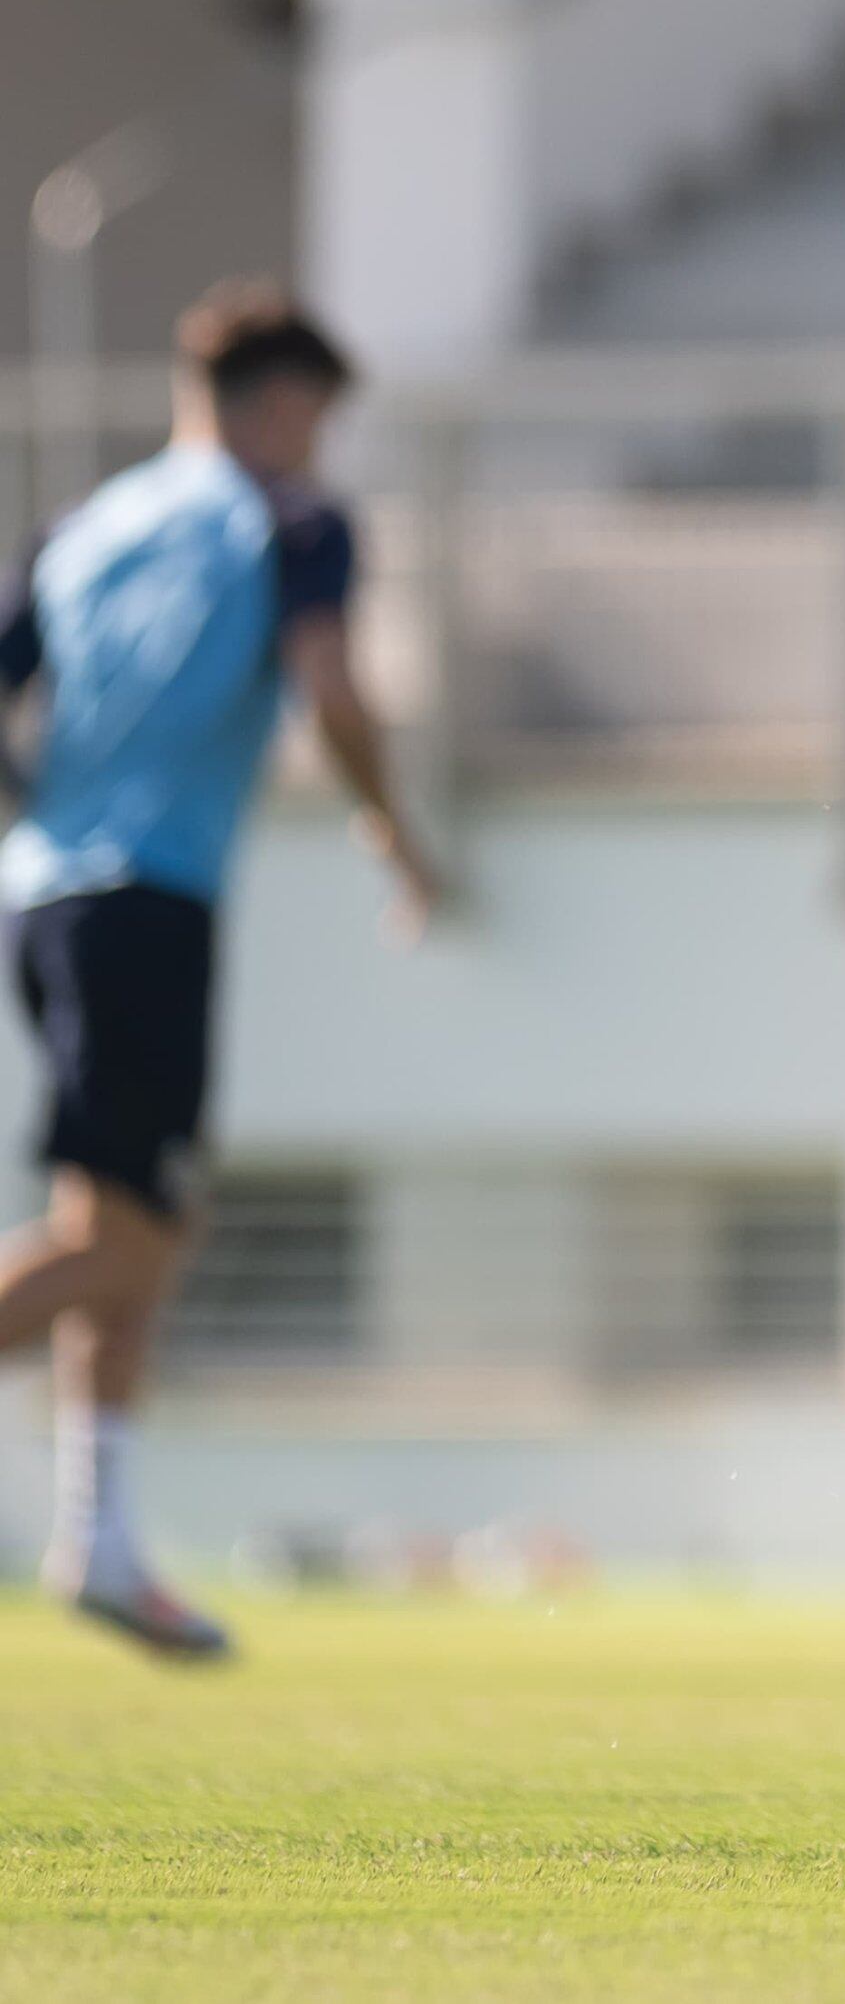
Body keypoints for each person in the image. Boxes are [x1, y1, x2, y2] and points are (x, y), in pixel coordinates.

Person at [0, 283, 444, 1659]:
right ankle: (103, 1541)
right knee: (123, 1237)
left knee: (133, 1223)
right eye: (314, 418)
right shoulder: (290, 519)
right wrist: (394, 831)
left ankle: (103, 1543)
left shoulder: (86, 526)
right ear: (282, 401)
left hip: (45, 892)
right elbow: (331, 684)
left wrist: (38, 814)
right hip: (150, 902)